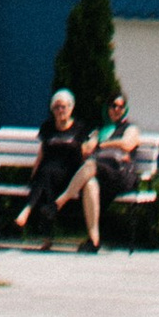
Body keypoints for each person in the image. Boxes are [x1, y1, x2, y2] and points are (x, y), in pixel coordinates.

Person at [50, 91, 144, 251]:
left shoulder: (130, 128)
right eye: (113, 106)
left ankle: (61, 200)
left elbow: (127, 144)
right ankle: (94, 240)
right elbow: (85, 149)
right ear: (107, 108)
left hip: (121, 173)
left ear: (125, 109)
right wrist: (92, 143)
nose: (116, 109)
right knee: (90, 184)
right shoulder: (100, 130)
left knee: (91, 166)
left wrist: (102, 144)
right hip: (103, 173)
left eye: (121, 107)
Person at [19, 89, 85, 244]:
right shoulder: (47, 127)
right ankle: (45, 234)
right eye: (56, 107)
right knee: (45, 176)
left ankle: (28, 212)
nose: (60, 110)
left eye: (63, 107)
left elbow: (85, 152)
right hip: (48, 175)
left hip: (70, 175)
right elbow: (41, 154)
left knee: (45, 174)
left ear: (71, 107)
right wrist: (32, 176)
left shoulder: (79, 128)